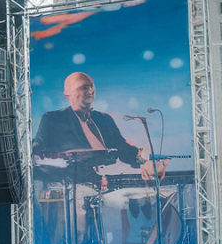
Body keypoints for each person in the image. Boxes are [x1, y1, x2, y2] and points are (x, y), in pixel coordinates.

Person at [33, 71, 166, 181]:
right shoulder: (53, 119)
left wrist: (146, 160)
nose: (91, 91)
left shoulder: (104, 119)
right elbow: (37, 153)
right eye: (84, 87)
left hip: (103, 181)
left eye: (92, 86)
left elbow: (122, 149)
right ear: (68, 93)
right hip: (71, 185)